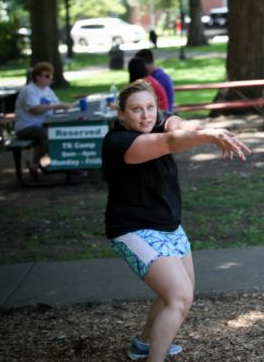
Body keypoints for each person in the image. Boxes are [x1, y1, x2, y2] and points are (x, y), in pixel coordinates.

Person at [102, 81, 251, 362]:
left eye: (150, 107)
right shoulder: (119, 142)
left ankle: (143, 344)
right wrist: (209, 136)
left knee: (175, 292)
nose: (145, 115)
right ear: (121, 114)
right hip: (133, 230)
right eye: (136, 110)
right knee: (180, 298)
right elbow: (170, 142)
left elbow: (179, 127)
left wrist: (203, 130)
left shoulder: (158, 120)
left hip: (168, 225)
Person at [14, 62, 72, 179]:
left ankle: (35, 165)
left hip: (42, 125)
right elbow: (34, 109)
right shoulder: (29, 90)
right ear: (37, 77)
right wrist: (56, 106)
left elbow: (57, 105)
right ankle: (66, 165)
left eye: (50, 76)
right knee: (50, 135)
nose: (50, 79)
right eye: (46, 76)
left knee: (60, 132)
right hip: (26, 127)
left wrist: (67, 107)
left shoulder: (47, 90)